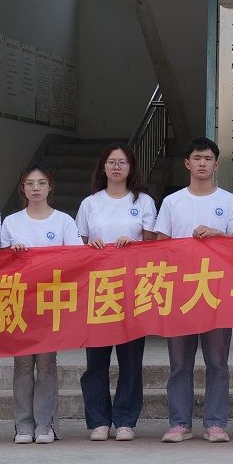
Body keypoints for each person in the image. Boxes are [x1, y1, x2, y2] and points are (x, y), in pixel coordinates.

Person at [154, 137, 233, 443]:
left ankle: (215, 423)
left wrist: (219, 234)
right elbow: (160, 246)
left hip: (216, 292)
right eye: (197, 158)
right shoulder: (172, 202)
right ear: (187, 163)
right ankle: (179, 423)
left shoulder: (228, 201)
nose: (202, 163)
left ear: (216, 164)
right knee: (180, 363)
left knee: (217, 362)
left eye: (208, 158)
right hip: (180, 292)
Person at [76, 142, 157, 441]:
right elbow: (77, 246)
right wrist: (91, 247)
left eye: (122, 162)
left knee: (131, 361)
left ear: (131, 167)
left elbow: (153, 246)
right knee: (96, 361)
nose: (116, 167)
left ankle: (125, 420)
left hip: (133, 289)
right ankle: (98, 420)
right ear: (103, 167)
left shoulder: (144, 202)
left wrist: (134, 245)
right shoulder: (90, 203)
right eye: (111, 162)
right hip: (98, 290)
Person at [1, 163, 82, 444]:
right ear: (22, 188)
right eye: (30, 183)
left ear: (50, 187)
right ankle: (23, 425)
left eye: (41, 183)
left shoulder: (63, 221)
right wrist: (12, 254)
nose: (36, 188)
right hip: (21, 302)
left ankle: (45, 425)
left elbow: (77, 259)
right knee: (23, 365)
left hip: (51, 302)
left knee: (47, 364)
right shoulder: (11, 222)